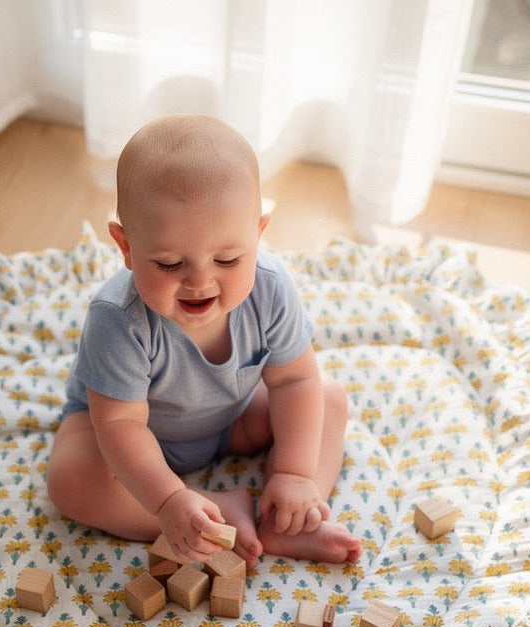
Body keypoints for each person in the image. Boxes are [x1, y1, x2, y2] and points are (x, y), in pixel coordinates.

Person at [47, 115, 361, 568]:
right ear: (126, 246)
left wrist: (294, 473)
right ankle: (211, 517)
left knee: (327, 399)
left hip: (231, 418)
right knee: (70, 481)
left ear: (258, 232)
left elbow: (294, 382)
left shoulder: (271, 288)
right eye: (170, 264)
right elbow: (121, 425)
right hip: (128, 435)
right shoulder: (117, 318)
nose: (200, 280)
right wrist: (167, 500)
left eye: (228, 258)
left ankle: (289, 517)